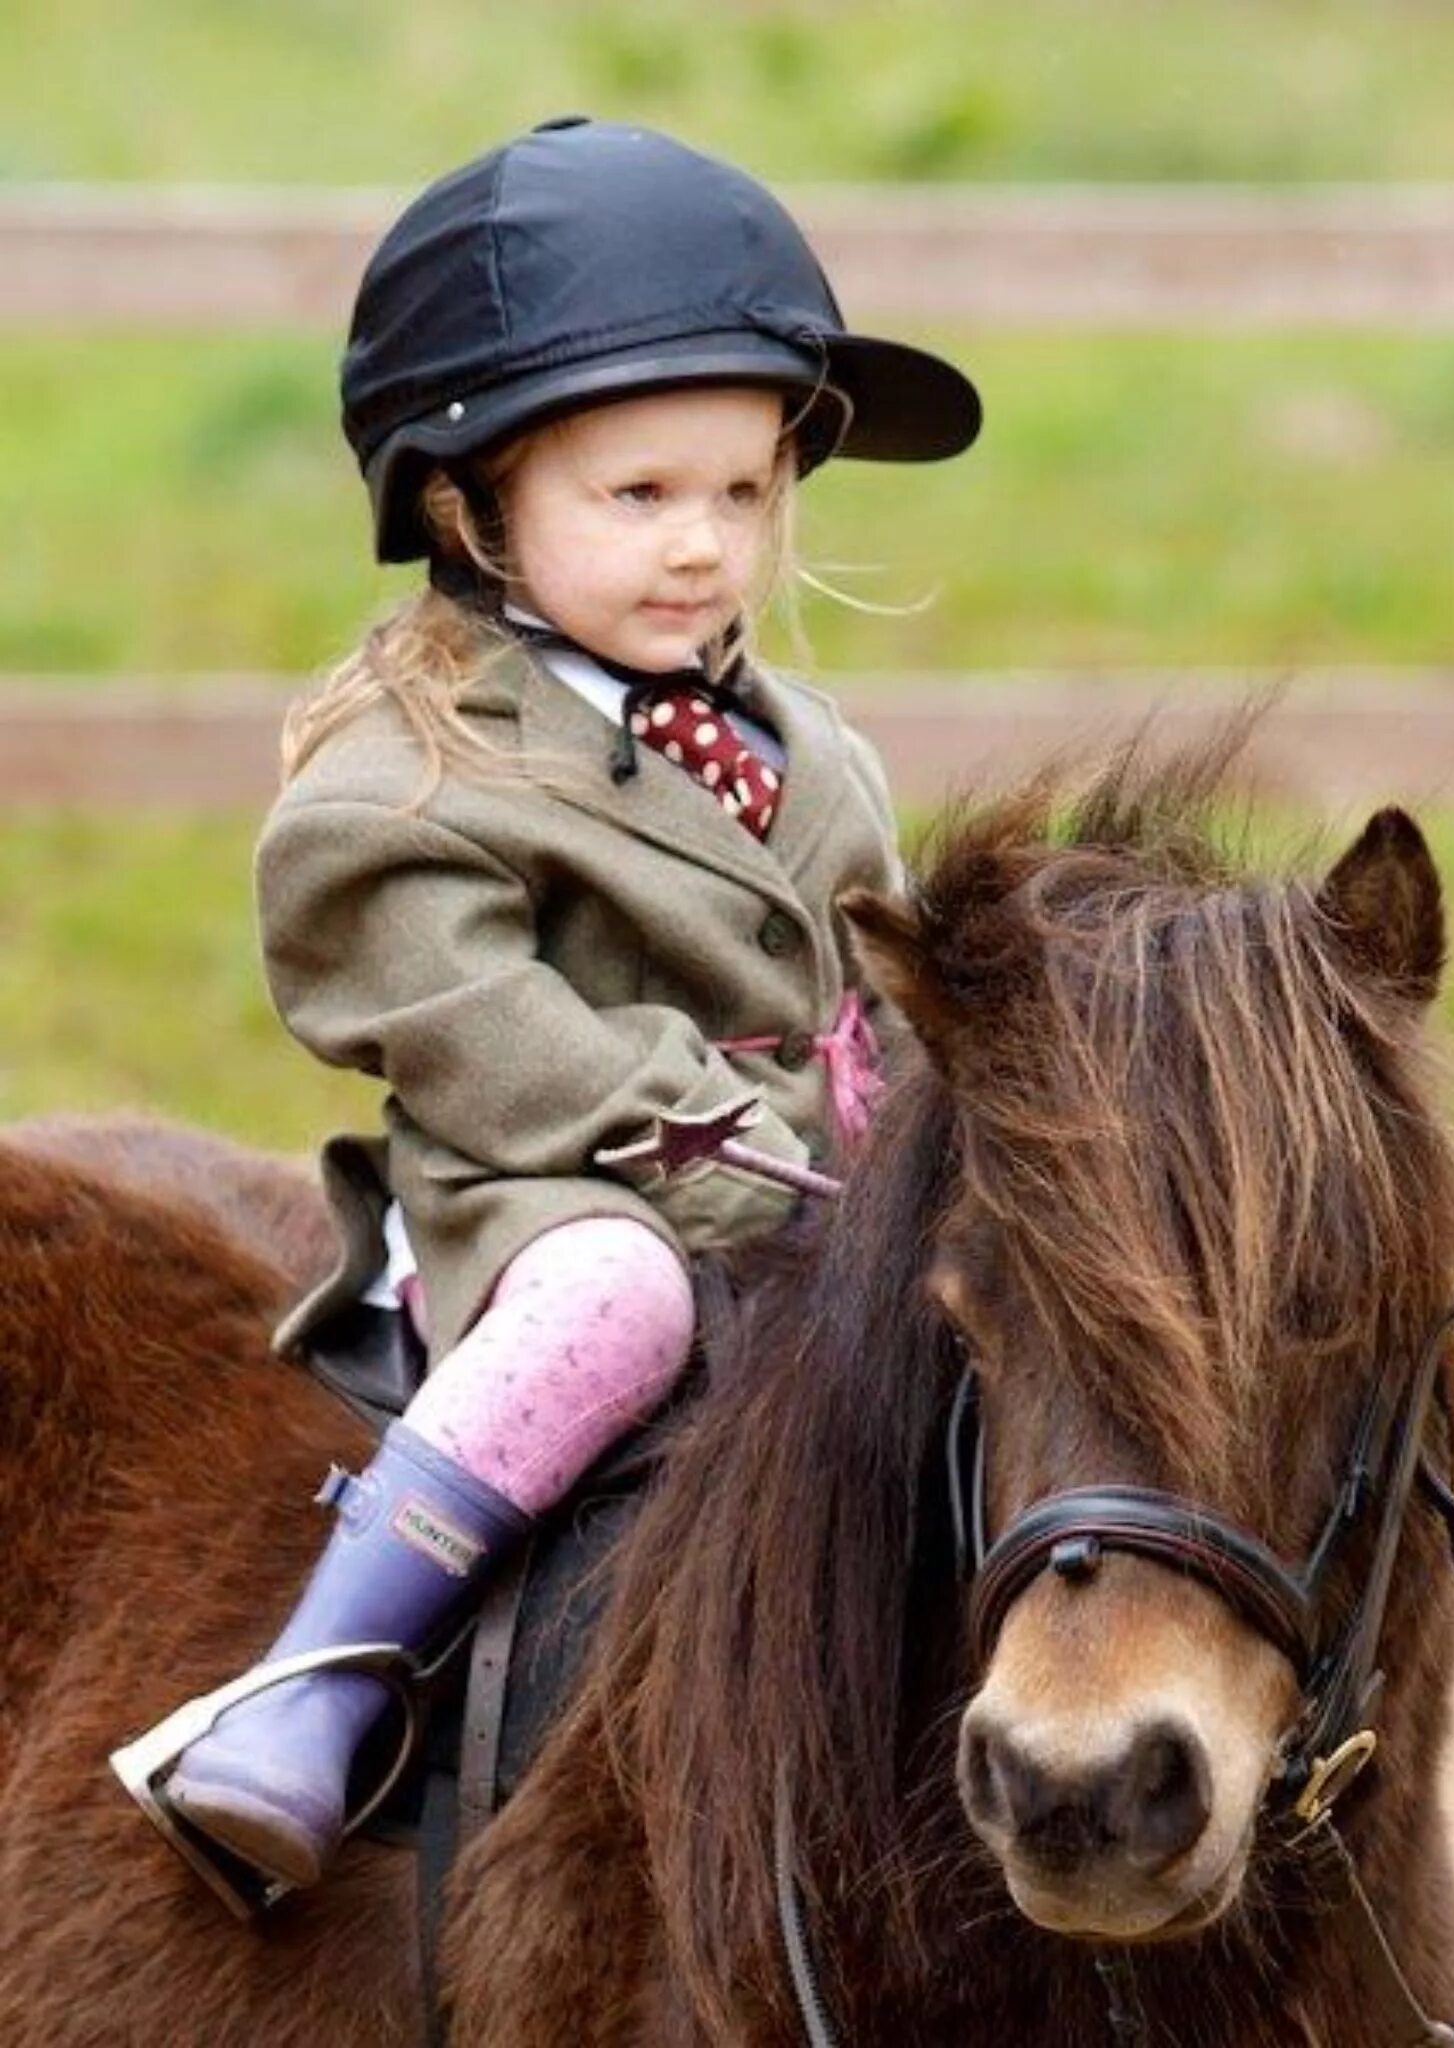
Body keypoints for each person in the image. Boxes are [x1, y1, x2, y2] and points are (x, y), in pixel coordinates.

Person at [120, 114, 981, 1900]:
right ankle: (319, 1681)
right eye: (639, 496)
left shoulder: (817, 753)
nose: (705, 549)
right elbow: (469, 1020)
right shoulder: (409, 779)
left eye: (742, 494)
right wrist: (729, 1143)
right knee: (615, 1303)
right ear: (471, 501)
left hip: (820, 1181)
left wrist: (923, 1140)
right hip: (565, 1187)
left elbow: (868, 985)